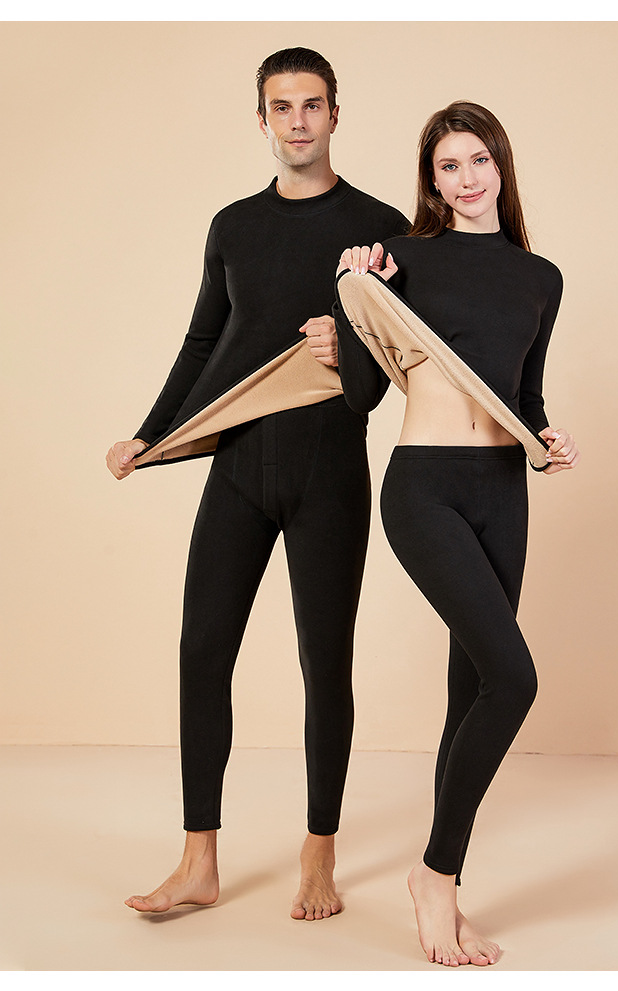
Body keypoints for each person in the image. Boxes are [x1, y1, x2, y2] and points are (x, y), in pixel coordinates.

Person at [105, 47, 408, 921]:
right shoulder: (233, 226)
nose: (298, 121)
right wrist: (152, 433)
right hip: (239, 468)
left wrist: (346, 346)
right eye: (283, 106)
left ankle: (320, 853)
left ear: (336, 114)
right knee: (202, 650)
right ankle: (198, 858)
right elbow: (204, 341)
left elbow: (396, 362)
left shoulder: (380, 227)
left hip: (329, 471)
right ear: (264, 119)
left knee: (325, 661)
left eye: (313, 104)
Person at [333, 101, 580, 965]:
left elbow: (525, 395)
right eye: (448, 165)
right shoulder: (403, 257)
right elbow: (362, 392)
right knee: (514, 679)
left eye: (479, 160)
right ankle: (433, 876)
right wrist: (351, 290)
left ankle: (447, 884)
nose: (467, 178)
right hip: (426, 487)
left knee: (469, 690)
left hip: (504, 491)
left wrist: (547, 441)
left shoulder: (541, 276)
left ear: (500, 166)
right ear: (431, 182)